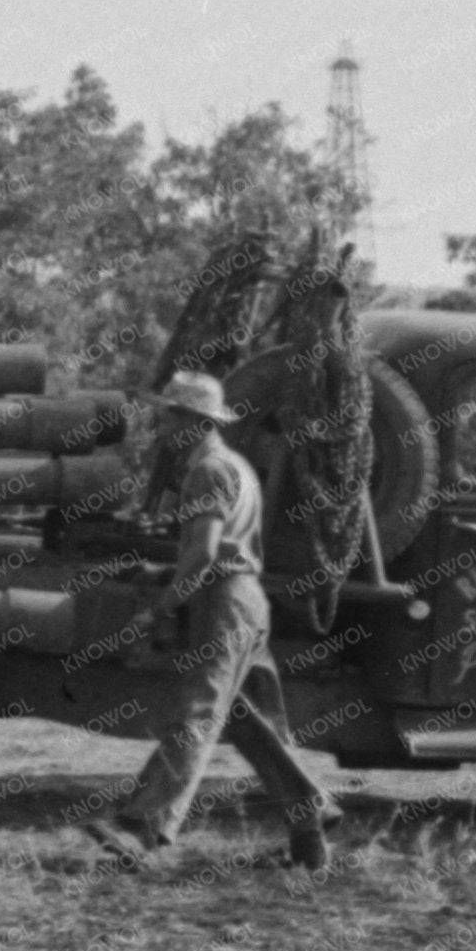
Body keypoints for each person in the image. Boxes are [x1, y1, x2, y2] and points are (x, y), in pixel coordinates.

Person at [86, 370, 337, 872]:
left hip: (222, 605)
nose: (160, 427)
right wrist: (162, 570)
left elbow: (203, 557)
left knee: (197, 713)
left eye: (169, 417)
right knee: (249, 723)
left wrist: (160, 605)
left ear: (195, 423)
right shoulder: (235, 466)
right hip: (244, 601)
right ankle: (310, 818)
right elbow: (221, 548)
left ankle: (141, 828)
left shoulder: (207, 472)